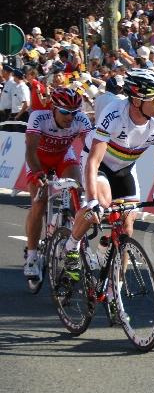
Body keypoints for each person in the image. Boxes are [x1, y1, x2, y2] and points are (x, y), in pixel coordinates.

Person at [64, 70, 154, 282]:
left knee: (127, 226)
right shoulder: (114, 113)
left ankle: (115, 289)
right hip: (99, 163)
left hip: (125, 166)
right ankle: (72, 246)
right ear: (136, 101)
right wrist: (92, 200)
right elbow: (94, 161)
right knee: (101, 204)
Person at [22, 88, 92, 282]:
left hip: (63, 156)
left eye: (74, 112)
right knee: (39, 202)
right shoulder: (39, 117)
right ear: (53, 108)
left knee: (78, 193)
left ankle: (75, 245)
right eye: (64, 112)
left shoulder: (81, 120)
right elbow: (30, 150)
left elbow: (93, 148)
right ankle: (32, 256)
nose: (70, 117)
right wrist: (38, 173)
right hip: (39, 159)